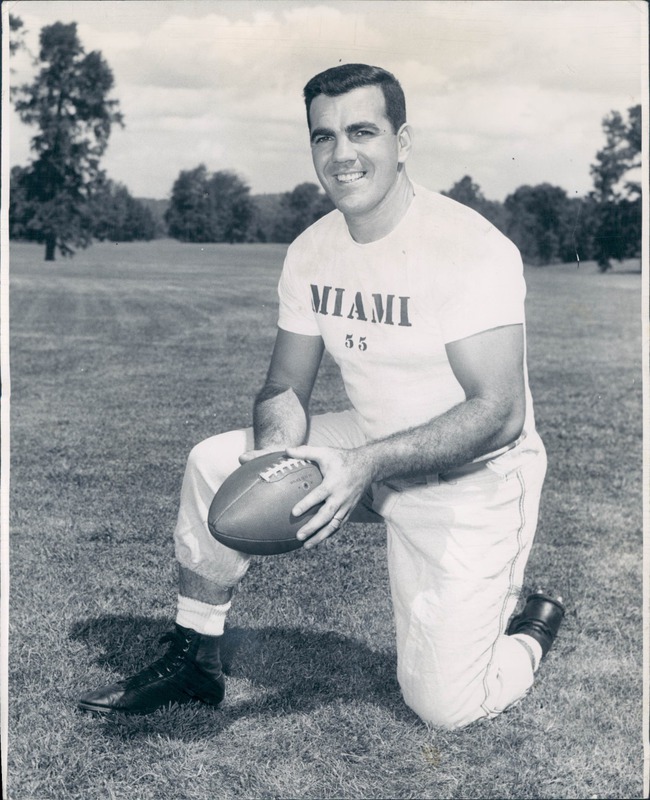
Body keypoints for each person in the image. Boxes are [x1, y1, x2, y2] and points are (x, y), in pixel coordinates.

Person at [79, 63, 565, 729]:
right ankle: (196, 655)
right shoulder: (312, 251)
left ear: (402, 140)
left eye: (362, 131)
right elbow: (284, 385)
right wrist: (277, 459)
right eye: (322, 137)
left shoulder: (470, 249)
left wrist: (365, 464)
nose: (341, 154)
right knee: (214, 463)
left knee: (445, 707)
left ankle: (532, 629)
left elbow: (498, 412)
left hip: (471, 479)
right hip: (365, 446)